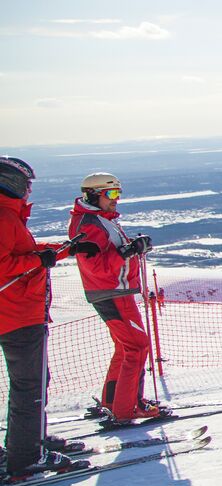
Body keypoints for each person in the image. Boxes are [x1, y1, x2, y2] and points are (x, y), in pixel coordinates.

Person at [2, 157, 99, 479]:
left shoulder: (8, 215)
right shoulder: (3, 216)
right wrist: (41, 259)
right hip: (16, 312)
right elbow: (6, 267)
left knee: (33, 384)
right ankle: (26, 456)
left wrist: (65, 249)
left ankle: (30, 441)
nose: (29, 190)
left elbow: (22, 253)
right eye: (26, 184)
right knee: (30, 386)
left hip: (18, 310)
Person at [67, 172, 160, 422]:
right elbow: (96, 266)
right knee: (137, 346)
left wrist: (135, 248)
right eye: (111, 194)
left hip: (116, 292)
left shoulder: (100, 219)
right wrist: (129, 250)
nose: (116, 199)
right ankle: (125, 408)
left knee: (126, 347)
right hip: (112, 293)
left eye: (118, 193)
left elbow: (113, 254)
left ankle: (116, 401)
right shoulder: (89, 224)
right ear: (94, 195)